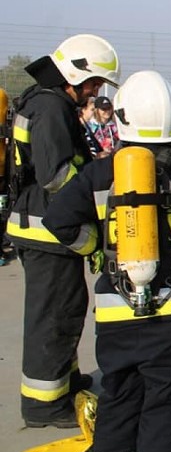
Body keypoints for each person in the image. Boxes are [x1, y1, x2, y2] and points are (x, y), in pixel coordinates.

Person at [43, 70, 171, 452]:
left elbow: (58, 221)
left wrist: (96, 251)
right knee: (166, 401)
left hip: (117, 309)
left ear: (122, 116)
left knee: (119, 394)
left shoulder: (101, 171)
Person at [8, 34, 120, 428]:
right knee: (52, 316)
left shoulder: (47, 101)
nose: (96, 91)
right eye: (94, 83)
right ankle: (43, 405)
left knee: (67, 308)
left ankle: (64, 382)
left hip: (48, 227)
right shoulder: (52, 108)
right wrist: (95, 199)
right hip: (46, 229)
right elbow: (56, 175)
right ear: (75, 73)